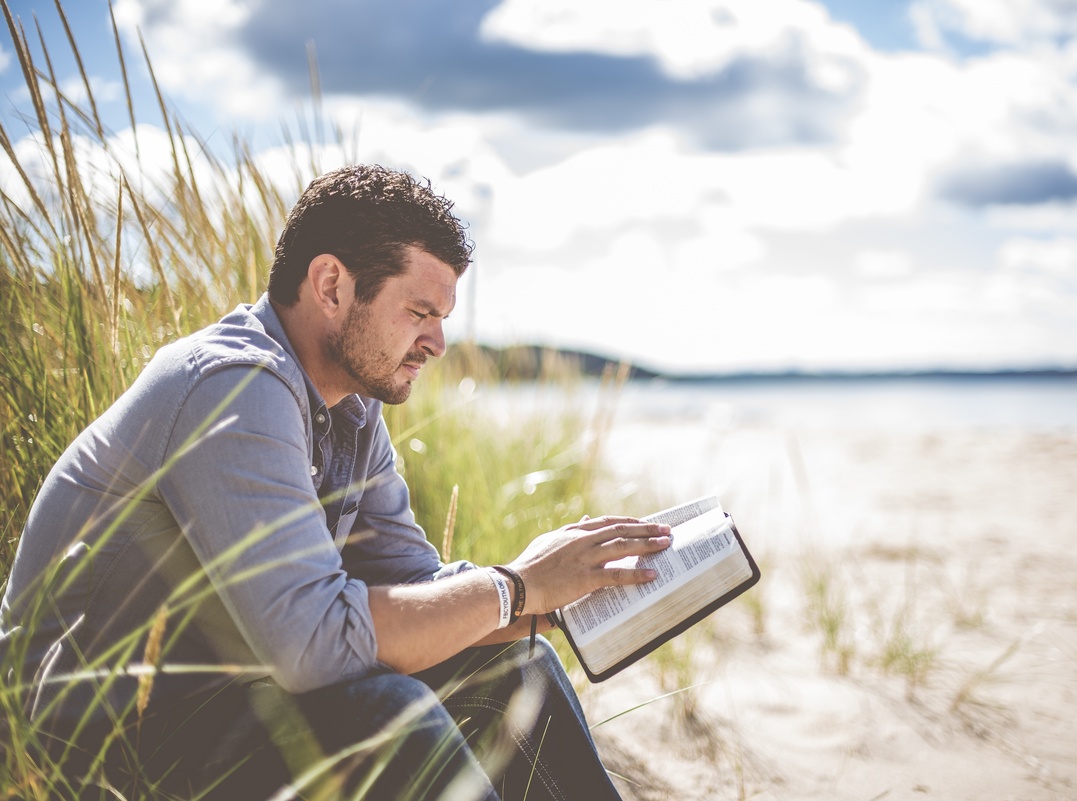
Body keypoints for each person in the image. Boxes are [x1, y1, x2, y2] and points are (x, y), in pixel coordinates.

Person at [0, 164, 672, 800]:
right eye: (419, 312)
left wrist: (561, 593)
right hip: (86, 746)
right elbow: (314, 646)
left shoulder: (350, 407)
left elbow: (418, 586)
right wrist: (513, 586)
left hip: (220, 707)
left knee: (512, 666)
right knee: (391, 711)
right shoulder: (233, 384)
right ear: (331, 287)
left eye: (442, 317)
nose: (439, 342)